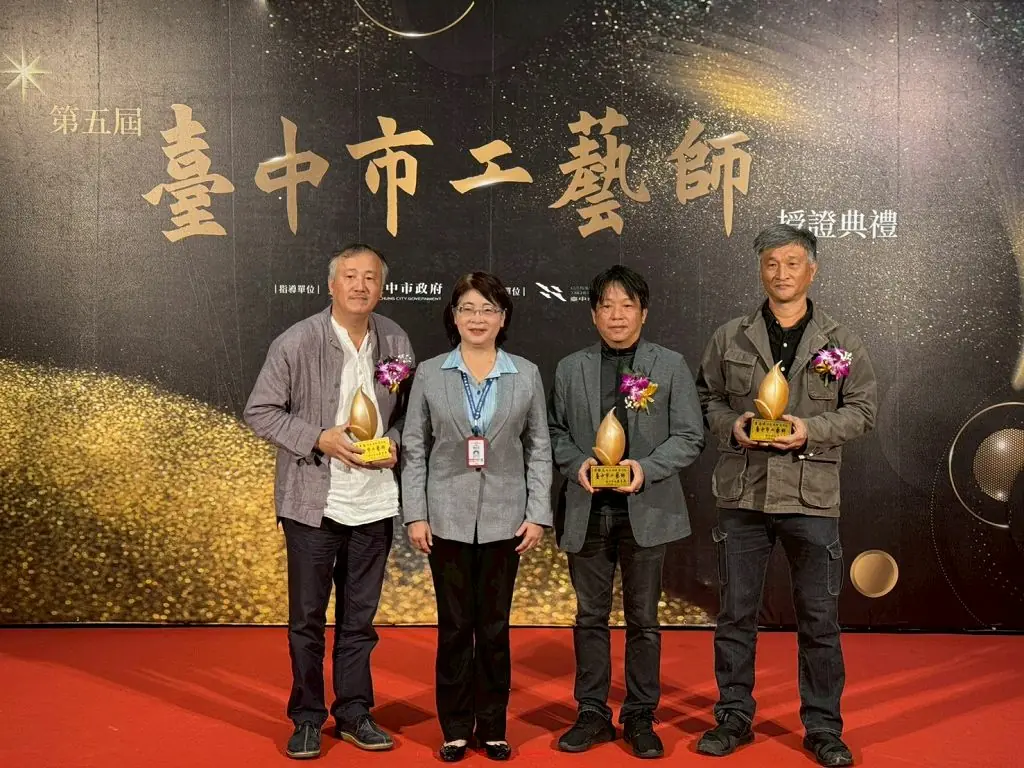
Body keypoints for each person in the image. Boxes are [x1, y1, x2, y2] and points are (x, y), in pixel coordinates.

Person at [694, 224, 877, 767]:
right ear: (760, 270)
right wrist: (733, 426)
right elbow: (706, 400)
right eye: (772, 263)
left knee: (819, 619)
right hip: (743, 495)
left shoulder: (840, 341)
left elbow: (862, 410)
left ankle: (823, 728)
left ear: (811, 270)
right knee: (735, 614)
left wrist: (810, 430)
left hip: (811, 498)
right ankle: (733, 716)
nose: (782, 274)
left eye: (793, 263)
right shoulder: (730, 337)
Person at [244, 244, 414, 760]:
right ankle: (307, 717)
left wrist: (397, 444)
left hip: (374, 503)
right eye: (350, 276)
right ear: (331, 285)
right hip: (313, 504)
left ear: (381, 287)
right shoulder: (297, 341)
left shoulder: (396, 340)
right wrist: (319, 437)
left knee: (359, 622)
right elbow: (260, 411)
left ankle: (355, 712)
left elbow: (410, 414)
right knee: (308, 622)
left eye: (370, 277)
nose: (360, 286)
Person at [548, 265, 705, 758]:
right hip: (588, 510)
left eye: (627, 305)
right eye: (606, 306)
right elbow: (554, 432)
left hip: (646, 508)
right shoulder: (570, 368)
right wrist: (578, 465)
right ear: (594, 315)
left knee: (644, 620)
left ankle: (639, 714)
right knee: (589, 617)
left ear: (643, 312)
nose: (617, 315)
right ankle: (592, 712)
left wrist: (646, 468)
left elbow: (690, 436)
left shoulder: (669, 365)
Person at [402, 272, 551, 763]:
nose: (477, 318)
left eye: (488, 309)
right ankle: (454, 728)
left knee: (494, 628)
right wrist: (415, 514)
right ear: (454, 316)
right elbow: (415, 446)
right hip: (444, 518)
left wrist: (538, 514)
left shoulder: (525, 373)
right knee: (453, 628)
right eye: (467, 308)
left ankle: (493, 727)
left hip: (507, 520)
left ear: (503, 318)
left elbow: (540, 448)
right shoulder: (430, 373)